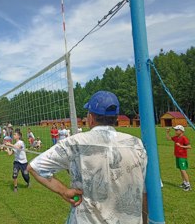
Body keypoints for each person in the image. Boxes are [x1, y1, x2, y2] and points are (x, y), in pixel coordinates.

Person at [27, 91, 148, 223]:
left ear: (90, 117)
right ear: (116, 118)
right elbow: (145, 190)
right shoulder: (137, 144)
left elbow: (34, 167)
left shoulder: (74, 143)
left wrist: (64, 191)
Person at [166, 125, 192, 191]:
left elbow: (189, 146)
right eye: (175, 130)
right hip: (177, 156)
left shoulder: (184, 138)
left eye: (177, 130)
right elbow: (168, 139)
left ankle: (188, 185)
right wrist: (167, 132)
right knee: (181, 169)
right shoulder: (176, 137)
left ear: (181, 131)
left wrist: (181, 146)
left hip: (182, 157)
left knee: (183, 170)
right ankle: (184, 183)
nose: (175, 131)